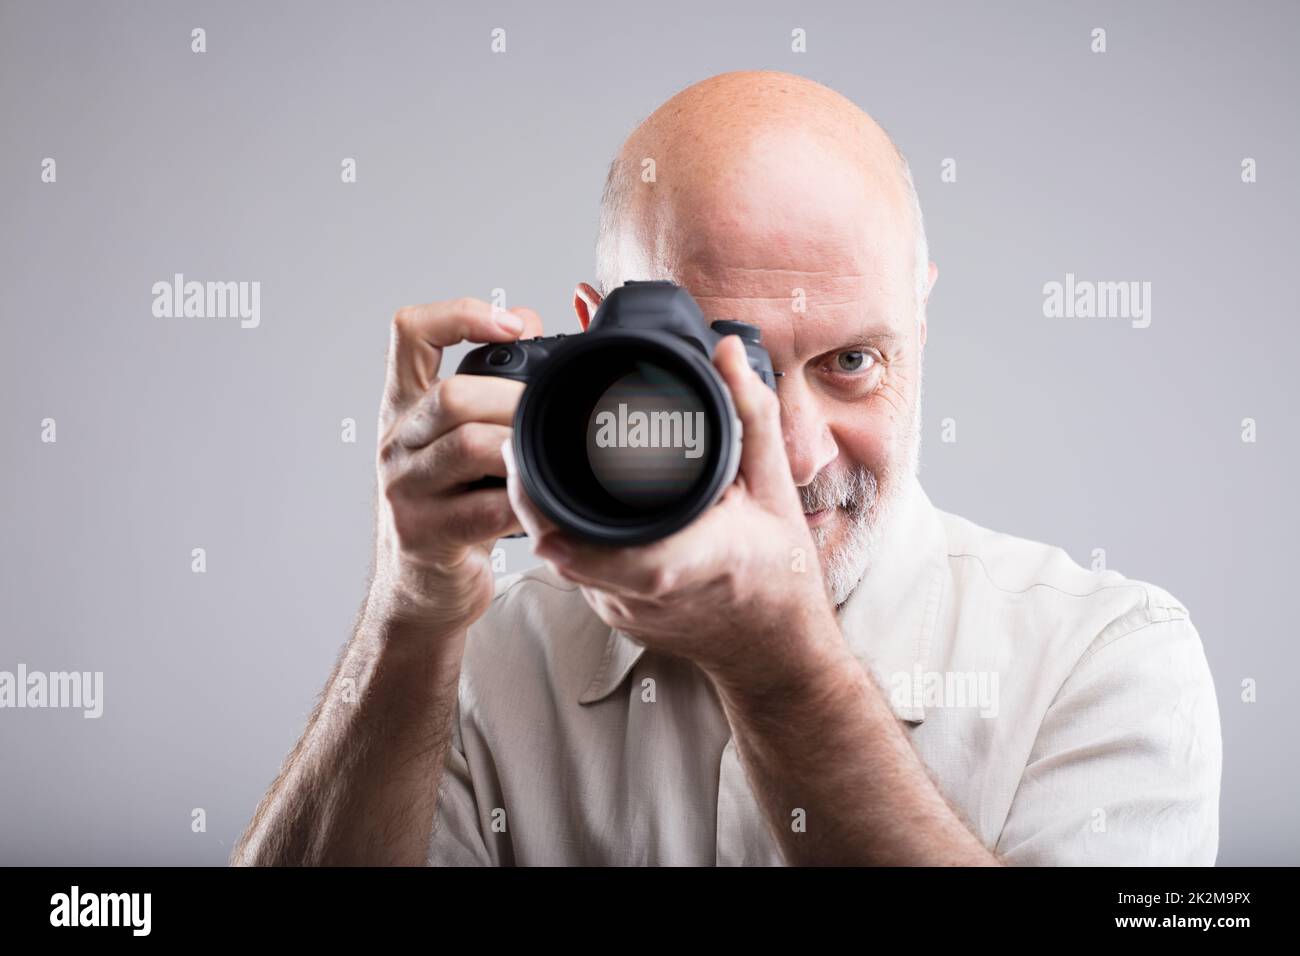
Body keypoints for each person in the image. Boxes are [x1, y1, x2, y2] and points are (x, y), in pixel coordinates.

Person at [232, 71, 1221, 866]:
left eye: (851, 361)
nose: (792, 451)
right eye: (718, 367)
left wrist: (785, 675)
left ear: (918, 325)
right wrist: (409, 614)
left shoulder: (1105, 658)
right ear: (597, 349)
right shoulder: (482, 660)